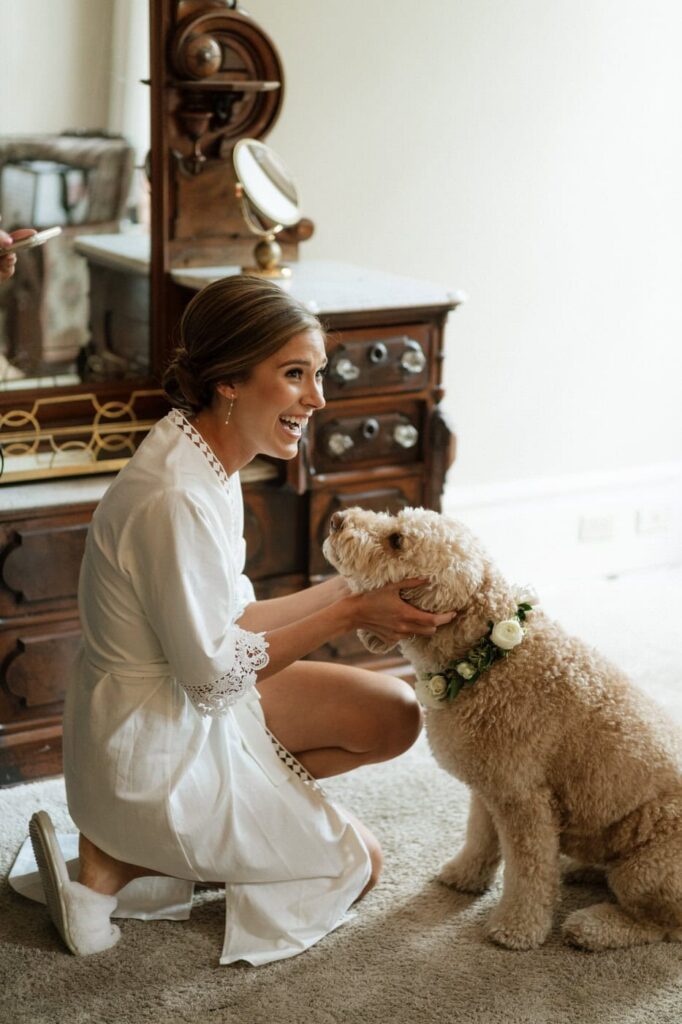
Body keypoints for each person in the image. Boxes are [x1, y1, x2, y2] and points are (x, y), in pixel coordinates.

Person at [29, 275, 454, 966]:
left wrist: (355, 586)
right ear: (228, 380)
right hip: (151, 736)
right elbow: (215, 682)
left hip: (182, 695)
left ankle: (160, 849)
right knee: (358, 863)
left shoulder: (206, 458)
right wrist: (348, 611)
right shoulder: (176, 495)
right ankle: (122, 858)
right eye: (294, 375)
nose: (317, 398)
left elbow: (238, 618)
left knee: (394, 714)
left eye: (318, 375)